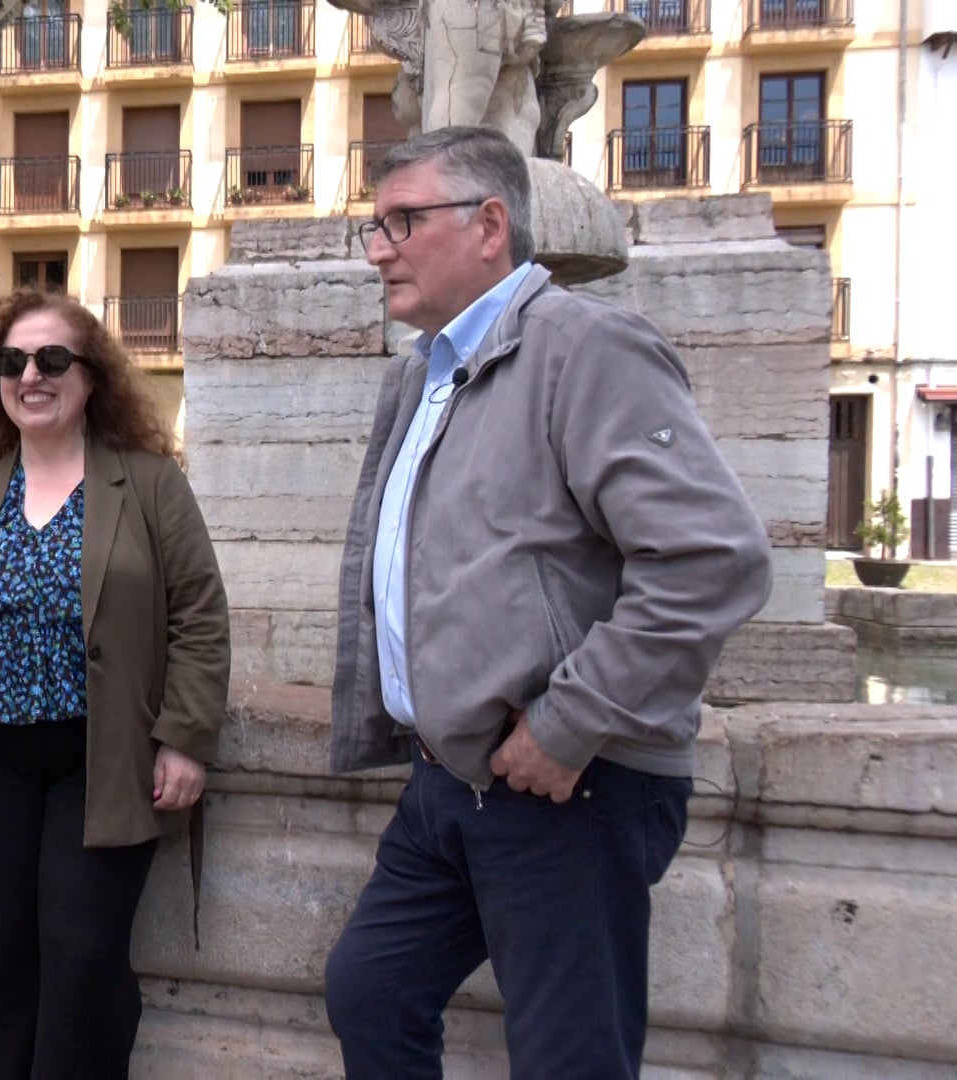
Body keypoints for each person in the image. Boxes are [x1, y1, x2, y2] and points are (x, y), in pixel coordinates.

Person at [322, 126, 773, 1078]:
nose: (378, 248)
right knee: (370, 990)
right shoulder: (421, 374)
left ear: (491, 225)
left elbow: (711, 559)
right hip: (453, 779)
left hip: (572, 781)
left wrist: (567, 725)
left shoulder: (586, 348)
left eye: (403, 221)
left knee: (569, 1059)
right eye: (373, 226)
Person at [0, 290, 231, 1079]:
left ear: (91, 379)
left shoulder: (149, 486)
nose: (32, 377)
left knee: (82, 955)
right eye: (12, 363)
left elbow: (199, 615)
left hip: (103, 761)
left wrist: (184, 737)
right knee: (8, 961)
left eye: (53, 360)